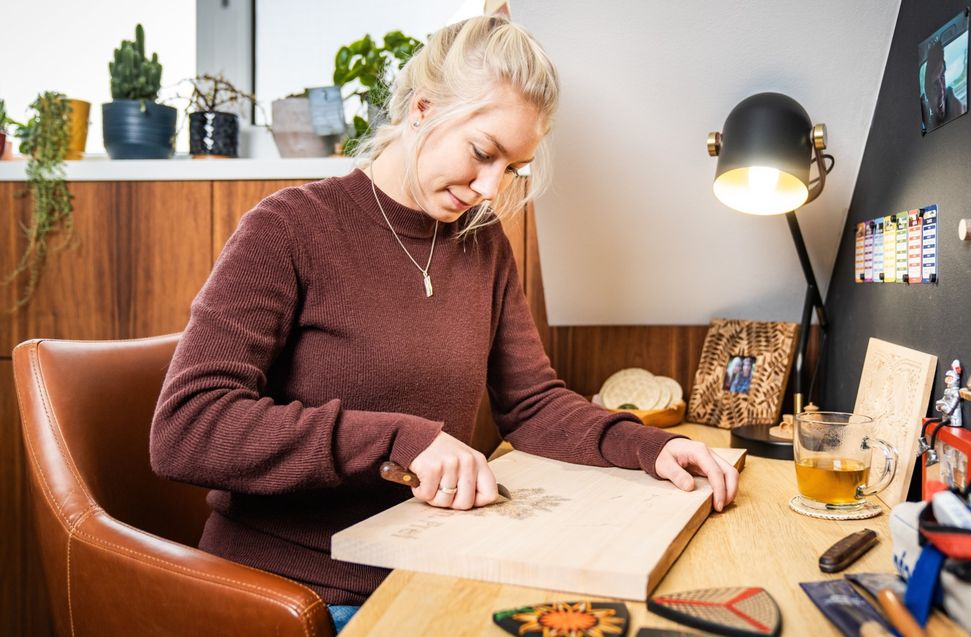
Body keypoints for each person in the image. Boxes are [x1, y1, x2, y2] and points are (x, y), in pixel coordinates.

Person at [149, 15, 738, 632]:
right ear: (423, 109)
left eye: (512, 168)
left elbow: (534, 403)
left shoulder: (481, 247)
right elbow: (186, 427)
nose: (489, 187)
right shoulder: (289, 228)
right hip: (300, 592)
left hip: (428, 567)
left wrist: (653, 446)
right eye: (483, 153)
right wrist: (392, 438)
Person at [921, 37, 964, 131]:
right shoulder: (929, 122)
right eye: (935, 84)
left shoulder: (956, 107)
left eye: (942, 77)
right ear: (927, 93)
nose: (941, 90)